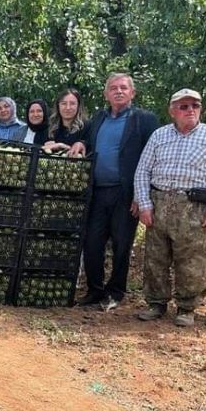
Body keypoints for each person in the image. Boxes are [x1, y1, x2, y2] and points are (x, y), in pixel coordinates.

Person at [134, 89, 206, 326]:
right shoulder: (159, 135)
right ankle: (156, 303)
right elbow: (142, 171)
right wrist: (144, 204)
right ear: (172, 111)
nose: (190, 110)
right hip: (160, 203)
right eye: (184, 106)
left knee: (191, 259)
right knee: (155, 257)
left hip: (193, 207)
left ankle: (187, 308)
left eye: (195, 106)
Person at [68, 73, 159, 311]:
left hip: (125, 193)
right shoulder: (98, 118)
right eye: (113, 88)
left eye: (123, 88)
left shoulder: (144, 120)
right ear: (106, 94)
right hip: (97, 192)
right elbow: (86, 140)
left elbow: (153, 159)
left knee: (121, 244)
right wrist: (81, 144)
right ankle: (95, 290)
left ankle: (115, 291)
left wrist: (142, 195)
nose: (118, 91)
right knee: (92, 242)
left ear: (132, 93)